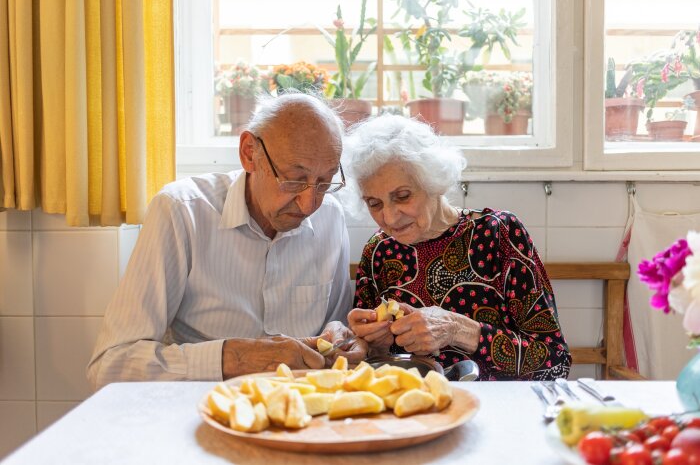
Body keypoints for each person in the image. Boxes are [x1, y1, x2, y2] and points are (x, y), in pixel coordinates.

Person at [87, 93, 366, 390]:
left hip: (301, 414)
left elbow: (335, 332)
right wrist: (236, 357)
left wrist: (341, 337)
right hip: (201, 412)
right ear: (249, 153)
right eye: (295, 180)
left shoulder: (330, 216)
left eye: (325, 182)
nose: (310, 203)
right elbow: (110, 366)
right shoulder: (182, 211)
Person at [342, 114, 571, 380]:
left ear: (432, 182)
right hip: (415, 412)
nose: (390, 218)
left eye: (402, 196)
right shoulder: (379, 252)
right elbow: (369, 370)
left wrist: (457, 329)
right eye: (374, 203)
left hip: (497, 408)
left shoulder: (498, 234)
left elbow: (556, 362)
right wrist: (374, 344)